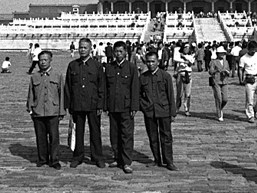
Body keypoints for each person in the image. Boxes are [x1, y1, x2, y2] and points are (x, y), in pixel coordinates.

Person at [64, 38, 106, 168]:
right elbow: (68, 87)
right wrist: (68, 105)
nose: (82, 50)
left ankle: (97, 157)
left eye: (85, 48)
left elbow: (101, 86)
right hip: (77, 104)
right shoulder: (73, 65)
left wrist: (100, 104)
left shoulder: (97, 65)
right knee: (78, 131)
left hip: (93, 104)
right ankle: (78, 156)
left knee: (95, 131)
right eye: (80, 47)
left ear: (90, 49)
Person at [26, 50, 65, 169]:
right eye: (41, 60)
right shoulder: (35, 76)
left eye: (45, 60)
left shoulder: (57, 75)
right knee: (40, 136)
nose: (43, 62)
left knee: (54, 137)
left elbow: (61, 94)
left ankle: (54, 160)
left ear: (50, 60)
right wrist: (30, 108)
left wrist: (62, 111)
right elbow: (31, 94)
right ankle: (42, 158)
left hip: (53, 110)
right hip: (38, 110)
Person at [105, 41, 139, 174]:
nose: (118, 54)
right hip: (113, 106)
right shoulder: (109, 67)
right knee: (114, 134)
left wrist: (134, 106)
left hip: (126, 106)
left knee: (126, 134)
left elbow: (135, 87)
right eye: (116, 51)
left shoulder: (131, 67)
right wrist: (105, 106)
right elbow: (106, 88)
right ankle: (117, 157)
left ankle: (126, 161)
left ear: (125, 52)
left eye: (121, 51)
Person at [139, 52, 177, 171]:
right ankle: (157, 159)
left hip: (164, 110)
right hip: (150, 111)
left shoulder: (165, 76)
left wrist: (172, 112)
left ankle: (169, 160)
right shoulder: (143, 77)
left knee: (166, 136)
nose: (150, 64)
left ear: (158, 62)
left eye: (153, 61)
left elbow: (170, 94)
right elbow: (138, 95)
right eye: (148, 62)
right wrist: (144, 106)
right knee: (152, 136)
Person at [239, 41, 257, 123]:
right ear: (248, 49)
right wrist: (241, 79)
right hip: (249, 78)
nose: (253, 51)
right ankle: (250, 115)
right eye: (252, 49)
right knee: (250, 99)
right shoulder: (243, 58)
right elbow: (240, 69)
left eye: (255, 49)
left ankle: (255, 109)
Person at [208, 46, 230, 121]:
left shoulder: (226, 62)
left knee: (225, 99)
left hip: (224, 80)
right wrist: (217, 71)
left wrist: (227, 72)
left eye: (223, 53)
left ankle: (220, 108)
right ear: (217, 54)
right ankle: (219, 114)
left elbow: (228, 70)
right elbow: (210, 71)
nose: (222, 55)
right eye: (220, 53)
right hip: (216, 81)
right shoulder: (213, 62)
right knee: (218, 98)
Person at [174, 43, 195, 116]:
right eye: (185, 47)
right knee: (179, 93)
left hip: (188, 74)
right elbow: (175, 59)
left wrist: (185, 58)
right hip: (180, 74)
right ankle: (177, 107)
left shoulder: (191, 55)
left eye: (188, 48)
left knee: (187, 93)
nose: (187, 49)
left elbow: (191, 62)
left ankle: (187, 108)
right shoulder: (178, 55)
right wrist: (183, 60)